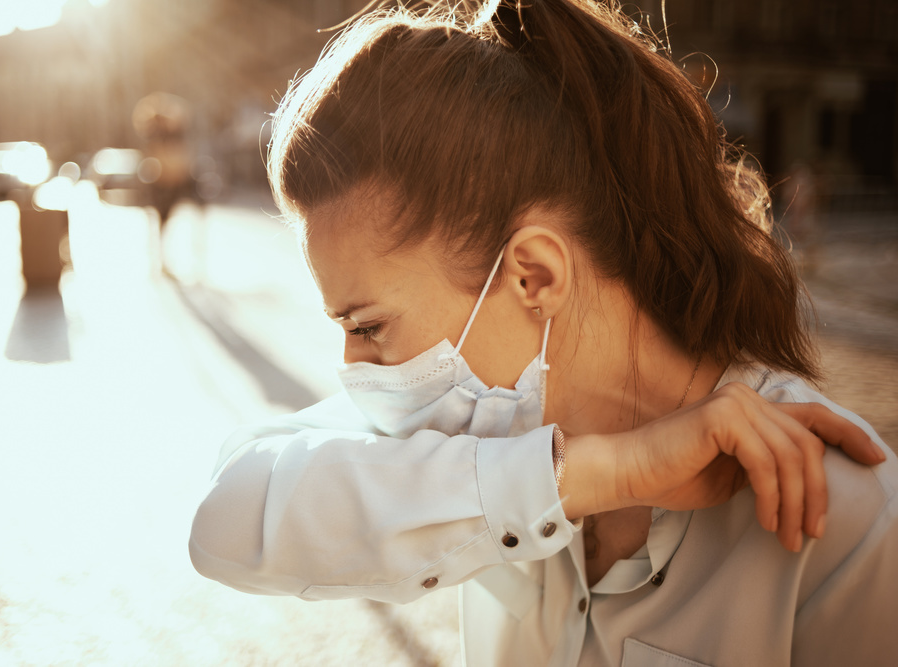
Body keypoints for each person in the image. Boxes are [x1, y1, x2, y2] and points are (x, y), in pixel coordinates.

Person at [189, 1, 897, 664]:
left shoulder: (846, 524)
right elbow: (228, 514)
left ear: (533, 275)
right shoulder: (481, 440)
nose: (352, 366)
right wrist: (602, 473)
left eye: (368, 325)